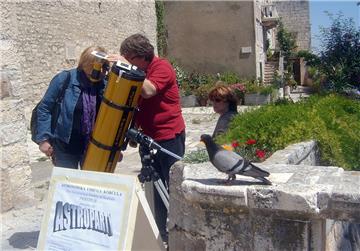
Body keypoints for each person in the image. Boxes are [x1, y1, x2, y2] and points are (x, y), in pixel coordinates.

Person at [116, 33, 186, 242]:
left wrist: (126, 67)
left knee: (172, 186)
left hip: (168, 137)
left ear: (140, 57)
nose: (127, 63)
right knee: (154, 189)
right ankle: (160, 234)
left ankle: (179, 230)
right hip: (149, 138)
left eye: (129, 59)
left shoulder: (161, 67)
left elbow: (148, 91)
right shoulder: (142, 70)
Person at [35, 46, 110, 169]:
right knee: (67, 186)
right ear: (86, 64)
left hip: (93, 147)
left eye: (104, 67)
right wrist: (44, 139)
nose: (100, 71)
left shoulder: (104, 85)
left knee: (90, 186)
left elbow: (111, 117)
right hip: (65, 147)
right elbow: (44, 108)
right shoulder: (65, 79)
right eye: (96, 67)